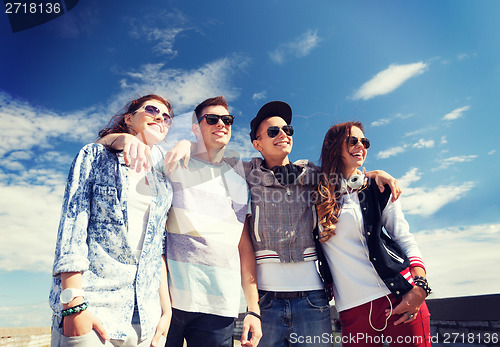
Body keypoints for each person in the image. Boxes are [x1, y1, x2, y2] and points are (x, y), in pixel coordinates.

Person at [166, 101, 401, 347]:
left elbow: (346, 174)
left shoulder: (314, 175)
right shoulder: (244, 172)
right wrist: (187, 144)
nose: (283, 135)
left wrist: (372, 174)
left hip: (313, 301)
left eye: (287, 130)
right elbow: (212, 152)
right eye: (273, 131)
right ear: (257, 144)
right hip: (265, 303)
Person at [98, 96, 262, 347]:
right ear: (196, 127)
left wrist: (253, 309)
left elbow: (243, 246)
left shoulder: (240, 183)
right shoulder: (171, 162)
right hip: (167, 303)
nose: (222, 124)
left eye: (227, 120)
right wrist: (124, 138)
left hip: (220, 305)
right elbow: (100, 147)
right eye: (212, 119)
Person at [49, 94, 175, 347]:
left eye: (167, 117)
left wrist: (166, 310)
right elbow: (73, 227)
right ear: (129, 119)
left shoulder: (164, 183)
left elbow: (156, 250)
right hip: (95, 308)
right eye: (151, 110)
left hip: (147, 320)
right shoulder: (95, 155)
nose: (160, 117)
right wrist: (73, 302)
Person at [316, 122, 431, 347]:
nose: (361, 146)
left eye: (364, 142)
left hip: (400, 296)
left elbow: (404, 238)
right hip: (352, 309)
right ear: (333, 147)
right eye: (353, 141)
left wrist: (420, 287)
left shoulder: (378, 188)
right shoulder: (315, 195)